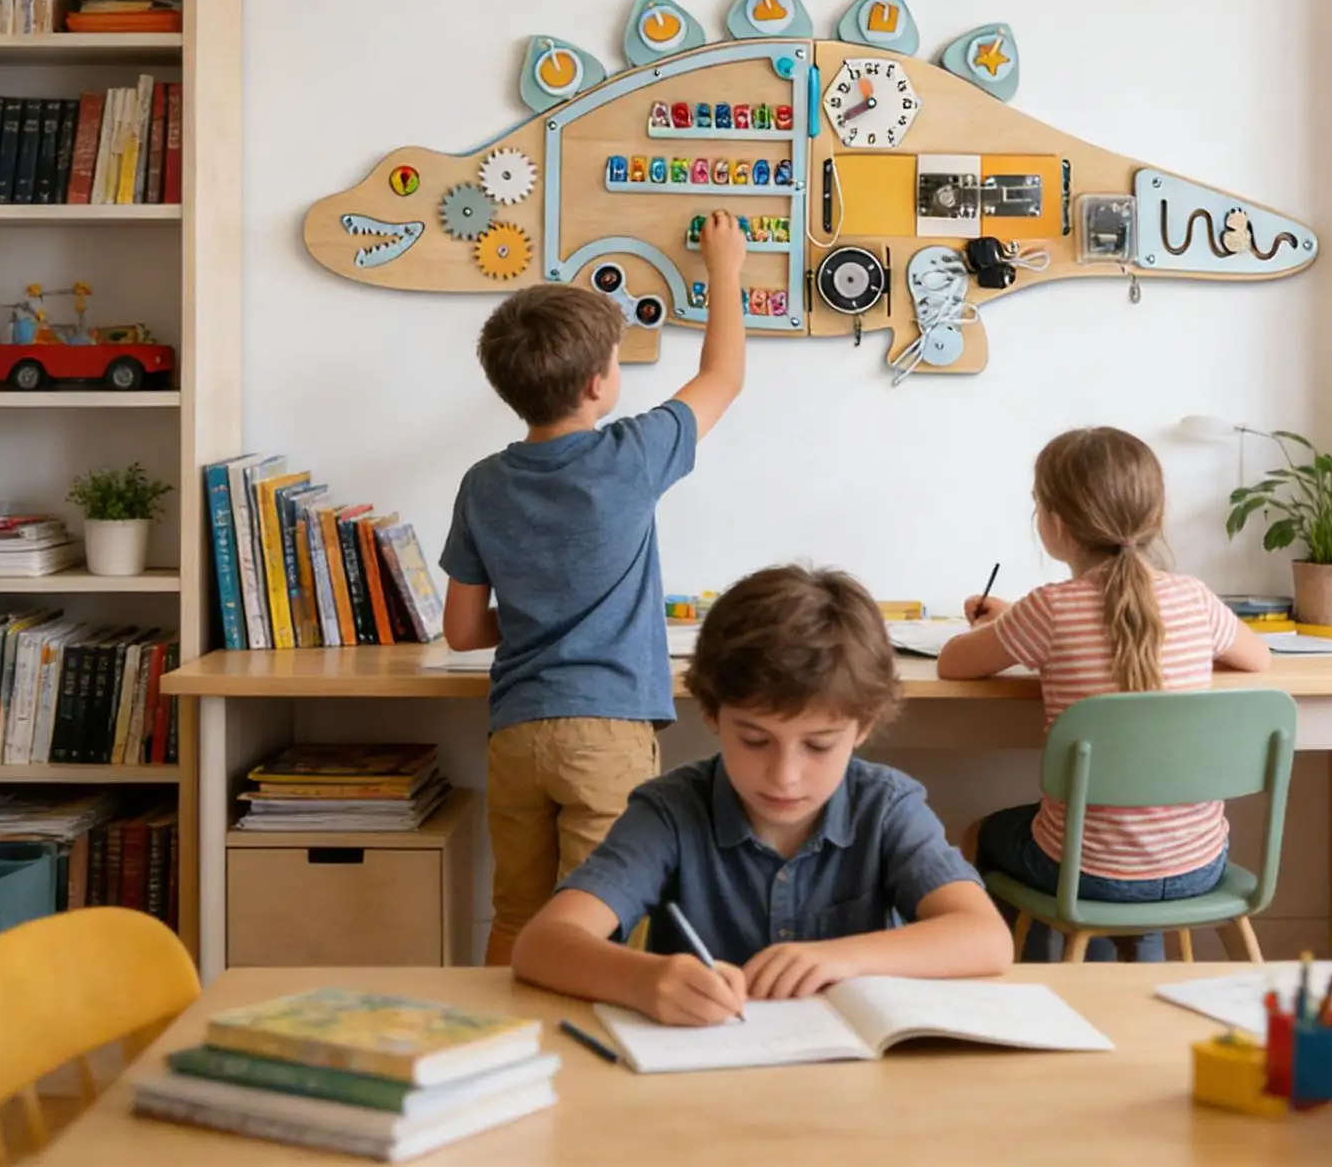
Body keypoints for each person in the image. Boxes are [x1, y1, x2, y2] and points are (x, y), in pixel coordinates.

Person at [441, 212, 747, 965]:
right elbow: (723, 378)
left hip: (515, 731)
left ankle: (506, 1051)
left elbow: (461, 631)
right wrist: (725, 269)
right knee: (600, 921)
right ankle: (592, 1070)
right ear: (596, 383)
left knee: (515, 917)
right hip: (607, 732)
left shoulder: (481, 483)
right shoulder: (631, 454)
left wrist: (535, 614)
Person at [512, 565, 1013, 1024]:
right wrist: (643, 979)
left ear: (863, 726)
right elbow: (542, 944)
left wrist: (840, 957)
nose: (785, 776)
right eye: (755, 740)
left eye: (818, 745)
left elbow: (986, 938)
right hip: (703, 1086)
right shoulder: (670, 812)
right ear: (712, 714)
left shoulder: (885, 807)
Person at [937, 426, 1272, 962]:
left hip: (1086, 874)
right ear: (1153, 516)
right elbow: (1259, 658)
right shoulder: (1195, 599)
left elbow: (954, 663)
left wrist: (996, 628)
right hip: (1199, 865)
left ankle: (1031, 975)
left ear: (1054, 524)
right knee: (1126, 848)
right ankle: (1136, 960)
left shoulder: (1049, 609)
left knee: (985, 834)